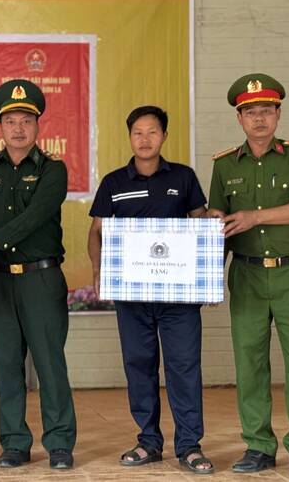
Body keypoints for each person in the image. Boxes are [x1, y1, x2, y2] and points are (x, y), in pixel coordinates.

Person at [208, 73, 289, 476]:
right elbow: (219, 223)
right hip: (247, 276)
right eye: (250, 112)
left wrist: (255, 217)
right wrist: (207, 274)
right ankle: (258, 445)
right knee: (250, 363)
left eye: (266, 111)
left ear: (278, 114)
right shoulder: (224, 165)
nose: (259, 118)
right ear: (239, 118)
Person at [87, 105, 213, 474]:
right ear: (129, 137)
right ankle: (149, 441)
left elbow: (201, 227)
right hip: (132, 297)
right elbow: (97, 232)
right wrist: (98, 271)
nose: (145, 139)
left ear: (164, 136)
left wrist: (207, 276)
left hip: (178, 299)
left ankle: (189, 445)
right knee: (139, 366)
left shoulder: (184, 177)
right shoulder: (113, 183)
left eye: (152, 131)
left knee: (184, 367)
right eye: (138, 132)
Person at [0, 79, 76, 469]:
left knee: (49, 363)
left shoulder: (53, 169)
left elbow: (36, 216)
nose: (18, 129)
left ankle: (59, 443)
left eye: (26, 121)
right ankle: (14, 442)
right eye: (10, 121)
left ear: (38, 125)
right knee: (6, 365)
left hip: (40, 280)